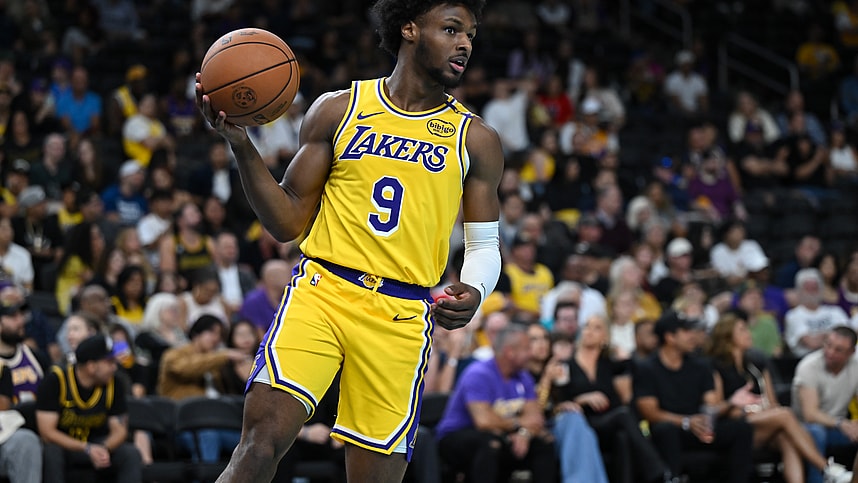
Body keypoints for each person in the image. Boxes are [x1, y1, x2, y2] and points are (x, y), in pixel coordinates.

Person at [197, 1, 503, 482]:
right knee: (258, 445)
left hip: (400, 313)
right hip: (323, 292)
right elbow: (287, 222)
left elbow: (484, 245)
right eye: (451, 29)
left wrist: (477, 288)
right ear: (409, 29)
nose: (465, 43)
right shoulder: (339, 109)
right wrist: (241, 145)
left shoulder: (475, 138)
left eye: (470, 34)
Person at [708, 311, 852, 483]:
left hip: (763, 423)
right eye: (742, 330)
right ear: (727, 336)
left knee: (785, 436)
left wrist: (762, 409)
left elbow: (773, 403)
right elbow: (715, 410)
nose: (748, 333)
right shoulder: (715, 366)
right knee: (785, 414)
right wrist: (739, 406)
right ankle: (828, 469)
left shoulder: (757, 365)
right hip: (734, 427)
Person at [634, 311, 754, 482]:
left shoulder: (700, 366)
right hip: (672, 429)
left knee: (741, 428)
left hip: (699, 426)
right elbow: (650, 413)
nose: (693, 336)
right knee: (665, 430)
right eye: (686, 331)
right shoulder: (646, 369)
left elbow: (710, 405)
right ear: (670, 337)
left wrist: (730, 403)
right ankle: (672, 479)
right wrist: (686, 421)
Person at [434, 324, 557, 483]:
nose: (530, 353)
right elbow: (484, 422)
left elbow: (536, 418)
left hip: (503, 434)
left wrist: (524, 434)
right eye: (526, 349)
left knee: (544, 442)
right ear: (510, 352)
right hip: (457, 436)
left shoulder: (523, 376)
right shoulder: (478, 374)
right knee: (491, 443)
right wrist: (517, 425)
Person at [36, 334, 142, 483]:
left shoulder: (114, 383)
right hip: (65, 446)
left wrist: (103, 448)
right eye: (109, 362)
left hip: (98, 443)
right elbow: (47, 432)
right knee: (51, 452)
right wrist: (86, 448)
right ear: (91, 366)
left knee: (130, 453)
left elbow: (120, 430)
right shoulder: (56, 380)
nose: (114, 367)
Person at [792, 326, 858, 482]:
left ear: (851, 352)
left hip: (838, 428)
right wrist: (841, 423)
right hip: (802, 428)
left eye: (838, 350)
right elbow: (810, 414)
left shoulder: (856, 367)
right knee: (817, 432)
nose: (830, 352)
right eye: (828, 345)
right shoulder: (808, 366)